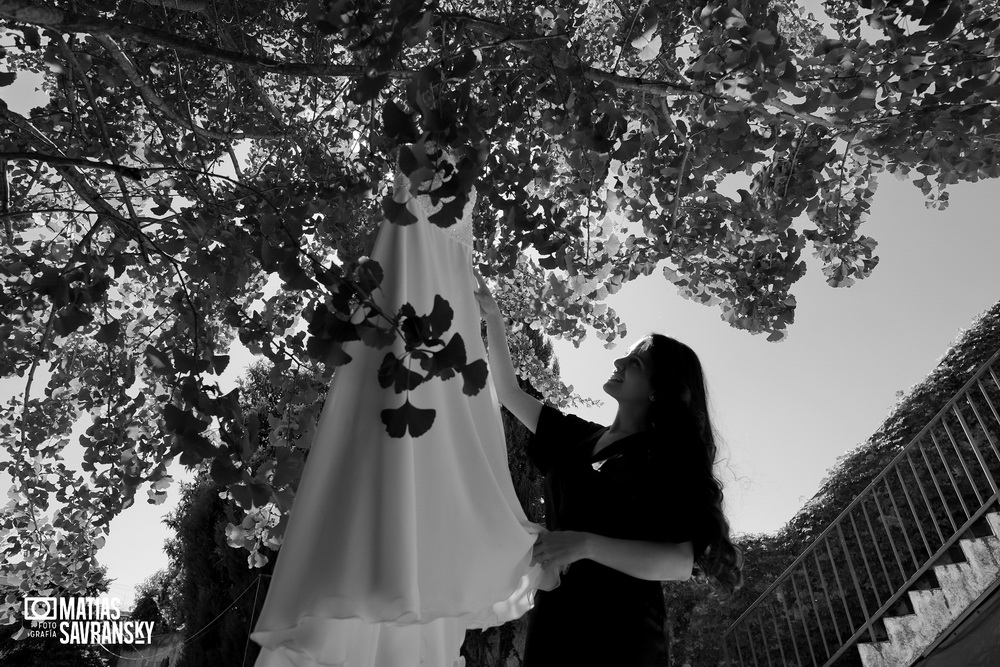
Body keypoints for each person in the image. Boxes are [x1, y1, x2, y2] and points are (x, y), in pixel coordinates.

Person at [474, 271, 743, 666]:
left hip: (622, 635)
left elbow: (680, 562)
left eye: (634, 361)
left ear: (657, 389)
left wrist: (584, 544)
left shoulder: (663, 459)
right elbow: (511, 394)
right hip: (556, 619)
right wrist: (493, 320)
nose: (618, 360)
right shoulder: (577, 438)